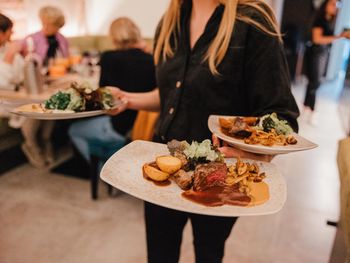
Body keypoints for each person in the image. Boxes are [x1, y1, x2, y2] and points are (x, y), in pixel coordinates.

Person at [108, 0, 300, 262]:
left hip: (221, 174)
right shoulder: (170, 23)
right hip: (164, 163)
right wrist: (127, 100)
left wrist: (260, 156)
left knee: (208, 253)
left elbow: (280, 114)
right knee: (159, 253)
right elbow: (171, 95)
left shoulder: (251, 22)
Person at [68, 17, 156, 168]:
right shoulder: (152, 58)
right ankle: (114, 157)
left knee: (74, 129)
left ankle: (104, 169)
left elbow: (104, 93)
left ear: (114, 38)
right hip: (142, 126)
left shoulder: (109, 57)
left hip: (117, 125)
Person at [20, 6, 69, 168]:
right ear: (44, 22)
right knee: (37, 105)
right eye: (52, 24)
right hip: (35, 83)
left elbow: (66, 61)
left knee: (53, 102)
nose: (54, 29)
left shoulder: (62, 40)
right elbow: (23, 64)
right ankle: (31, 144)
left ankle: (46, 140)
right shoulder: (30, 40)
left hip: (56, 81)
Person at [302, 0, 349, 125]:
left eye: (336, 5)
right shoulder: (320, 19)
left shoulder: (330, 20)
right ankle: (312, 110)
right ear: (325, 5)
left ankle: (306, 106)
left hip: (322, 53)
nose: (335, 7)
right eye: (332, 4)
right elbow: (317, 39)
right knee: (315, 82)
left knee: (313, 82)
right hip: (315, 53)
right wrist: (339, 37)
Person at [0, 13, 23, 90]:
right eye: (10, 30)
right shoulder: (9, 51)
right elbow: (2, 83)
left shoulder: (6, 46)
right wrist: (9, 57)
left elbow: (22, 76)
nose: (12, 33)